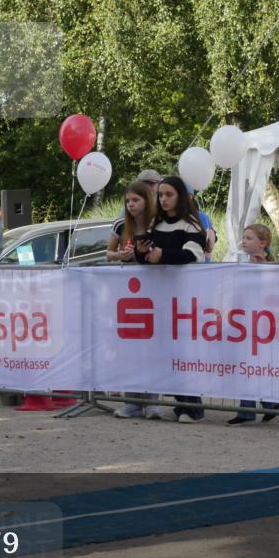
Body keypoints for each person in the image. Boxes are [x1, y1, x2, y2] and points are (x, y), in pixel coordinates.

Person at [136, 176, 208, 423]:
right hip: (159, 296)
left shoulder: (191, 224)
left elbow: (193, 255)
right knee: (165, 351)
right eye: (161, 195)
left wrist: (163, 254)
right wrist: (141, 252)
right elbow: (146, 256)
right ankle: (179, 403)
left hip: (184, 296)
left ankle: (192, 407)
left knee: (183, 352)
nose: (164, 199)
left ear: (180, 197)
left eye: (169, 195)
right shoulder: (155, 223)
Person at [107, 180, 163, 420]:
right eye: (128, 201)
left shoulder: (158, 224)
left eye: (135, 200)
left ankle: (151, 402)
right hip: (127, 292)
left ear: (146, 201)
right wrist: (121, 255)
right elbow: (108, 253)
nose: (130, 205)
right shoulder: (121, 225)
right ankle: (131, 402)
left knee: (152, 348)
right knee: (130, 348)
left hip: (154, 289)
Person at [227, 224, 279, 425]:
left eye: (249, 238)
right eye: (244, 237)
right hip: (245, 320)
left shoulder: (268, 266)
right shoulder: (244, 264)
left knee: (257, 364)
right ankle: (255, 407)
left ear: (263, 243)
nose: (244, 241)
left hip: (262, 322)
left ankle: (264, 404)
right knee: (245, 365)